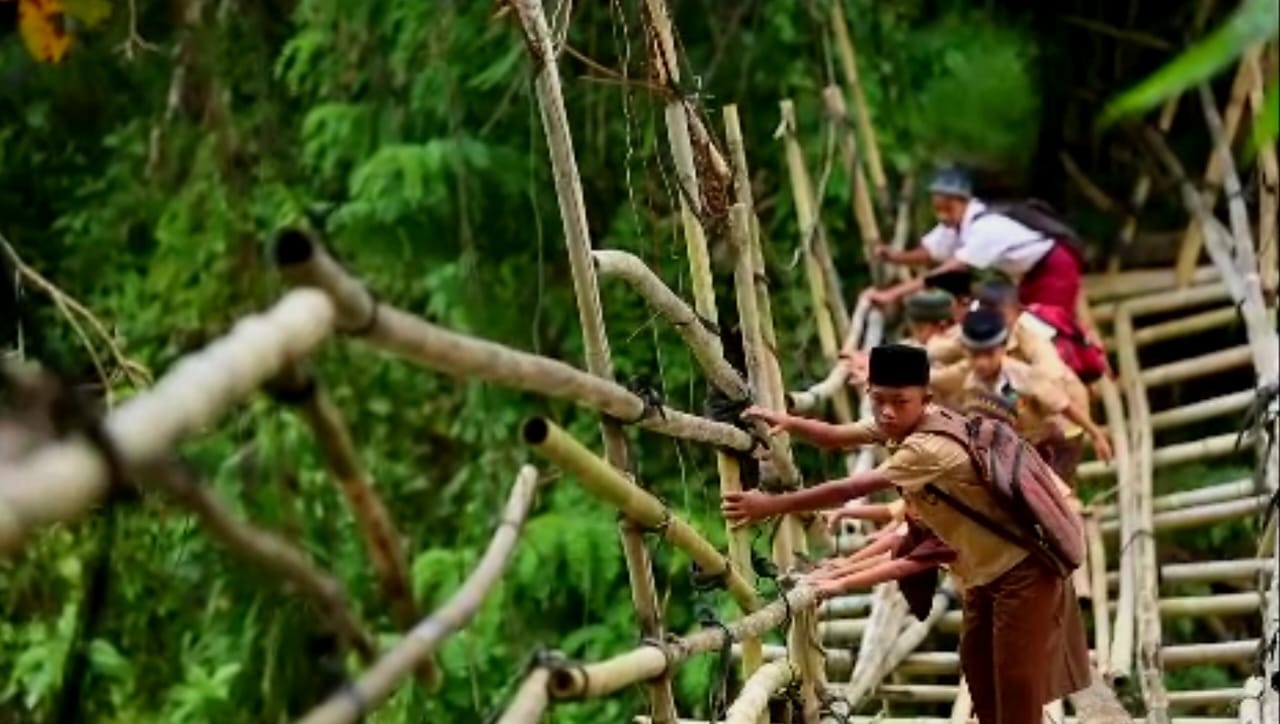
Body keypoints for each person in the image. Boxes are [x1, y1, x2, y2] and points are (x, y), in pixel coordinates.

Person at [724, 343, 1090, 724]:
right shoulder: (899, 423)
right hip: (984, 576)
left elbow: (848, 489)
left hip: (1023, 571)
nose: (887, 411)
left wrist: (769, 505)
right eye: (878, 399)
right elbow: (837, 435)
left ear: (925, 400)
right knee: (979, 670)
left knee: (1016, 683)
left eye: (899, 401)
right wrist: (791, 423)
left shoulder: (928, 448)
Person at [863, 167, 1084, 320]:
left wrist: (893, 294)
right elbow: (929, 252)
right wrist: (893, 256)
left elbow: (946, 273)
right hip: (1029, 274)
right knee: (1027, 324)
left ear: (964, 202)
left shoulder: (984, 229)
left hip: (1054, 267)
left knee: (1049, 327)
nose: (942, 216)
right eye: (937, 209)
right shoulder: (956, 224)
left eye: (947, 209)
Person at [940, 308, 1112, 486]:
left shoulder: (1022, 376)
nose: (982, 362)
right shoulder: (971, 385)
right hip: (1012, 456)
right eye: (975, 355)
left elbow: (1064, 405)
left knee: (1057, 495)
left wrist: (1096, 434)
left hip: (1049, 446)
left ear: (1003, 348)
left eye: (989, 354)